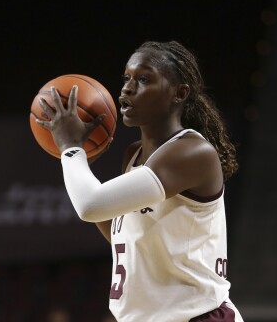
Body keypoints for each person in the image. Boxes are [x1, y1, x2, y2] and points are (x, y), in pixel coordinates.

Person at [34, 40, 243, 322]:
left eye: (144, 79)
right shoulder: (135, 155)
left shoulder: (191, 152)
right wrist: (84, 164)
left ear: (179, 94)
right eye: (127, 78)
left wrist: (72, 150)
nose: (127, 88)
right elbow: (124, 235)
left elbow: (89, 206)